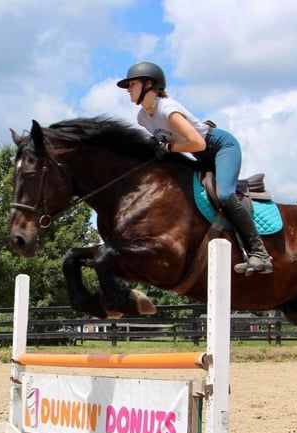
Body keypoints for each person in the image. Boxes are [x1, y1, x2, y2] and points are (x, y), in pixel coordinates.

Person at [117, 61, 273, 275]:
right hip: (199, 155)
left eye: (132, 84)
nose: (128, 89)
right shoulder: (142, 118)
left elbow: (197, 143)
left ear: (149, 84)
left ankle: (260, 254)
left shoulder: (168, 110)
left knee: (225, 194)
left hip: (220, 147)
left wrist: (169, 147)